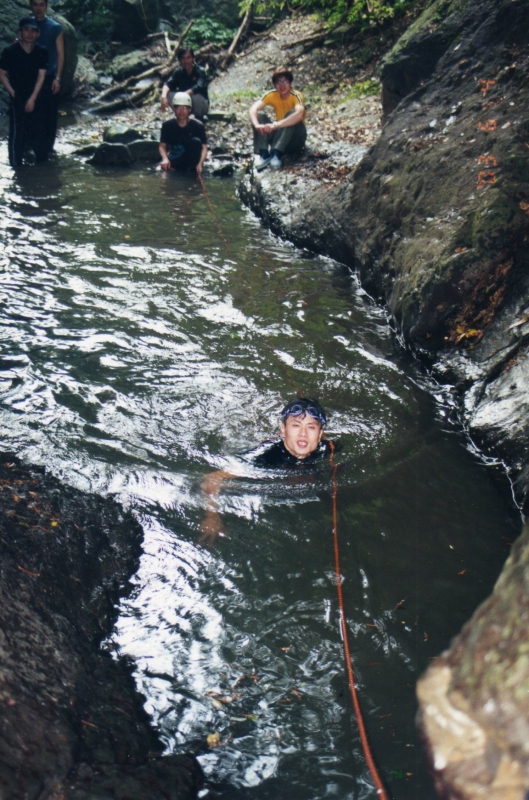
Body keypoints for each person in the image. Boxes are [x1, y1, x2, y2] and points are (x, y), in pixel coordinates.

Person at [200, 398, 332, 542]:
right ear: (283, 429)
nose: (303, 434)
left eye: (311, 427)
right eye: (296, 425)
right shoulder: (264, 456)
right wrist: (212, 516)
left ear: (319, 434)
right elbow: (212, 479)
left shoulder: (328, 449)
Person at [0, 17, 48, 167]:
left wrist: (33, 98)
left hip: (36, 96)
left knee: (39, 132)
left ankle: (42, 170)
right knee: (17, 135)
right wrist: (14, 94)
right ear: (20, 32)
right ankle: (16, 167)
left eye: (33, 31)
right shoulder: (9, 51)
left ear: (37, 34)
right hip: (17, 97)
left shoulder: (42, 51)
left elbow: (42, 75)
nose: (29, 34)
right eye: (26, 30)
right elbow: (1, 74)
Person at [249, 67, 306, 170]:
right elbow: (253, 109)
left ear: (290, 83)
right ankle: (264, 153)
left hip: (296, 138)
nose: (282, 85)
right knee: (259, 115)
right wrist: (257, 125)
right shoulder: (272, 95)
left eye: (285, 82)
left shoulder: (296, 96)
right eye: (278, 82)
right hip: (280, 136)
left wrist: (275, 125)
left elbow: (299, 115)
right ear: (275, 85)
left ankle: (277, 154)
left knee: (292, 113)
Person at [28, 0, 64, 157]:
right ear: (30, 5)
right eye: (35, 4)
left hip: (49, 76)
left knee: (50, 114)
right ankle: (31, 147)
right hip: (30, 77)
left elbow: (61, 54)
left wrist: (58, 78)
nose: (38, 8)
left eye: (41, 4)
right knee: (31, 113)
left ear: (47, 6)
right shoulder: (26, 25)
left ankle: (48, 148)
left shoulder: (55, 27)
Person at [159, 92, 208, 173]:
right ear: (174, 109)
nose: (181, 111)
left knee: (195, 141)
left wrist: (200, 163)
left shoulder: (198, 126)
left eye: (185, 108)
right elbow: (162, 146)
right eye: (178, 108)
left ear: (190, 110)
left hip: (192, 160)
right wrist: (165, 159)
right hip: (175, 158)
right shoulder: (167, 126)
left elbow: (204, 147)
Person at [161, 47, 209, 122]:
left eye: (188, 58)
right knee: (169, 94)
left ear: (193, 59)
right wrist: (163, 97)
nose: (186, 61)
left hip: (200, 104)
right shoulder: (179, 72)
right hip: (185, 102)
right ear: (180, 61)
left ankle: (199, 118)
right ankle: (182, 116)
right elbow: (168, 84)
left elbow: (199, 86)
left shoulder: (200, 71)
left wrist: (182, 96)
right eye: (183, 58)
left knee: (196, 96)